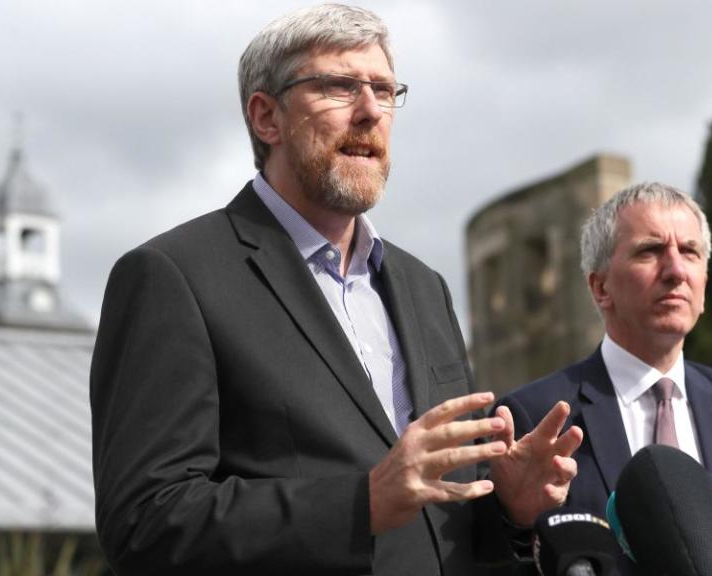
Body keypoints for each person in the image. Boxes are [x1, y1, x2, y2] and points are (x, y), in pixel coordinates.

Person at [89, 4, 581, 575]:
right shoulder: (172, 276)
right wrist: (360, 503)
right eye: (339, 87)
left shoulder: (425, 289)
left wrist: (509, 512)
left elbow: (436, 530)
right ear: (266, 117)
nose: (371, 110)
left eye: (384, 89)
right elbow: (145, 522)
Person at [496, 182, 712, 572]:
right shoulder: (535, 415)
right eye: (650, 250)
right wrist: (513, 518)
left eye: (690, 251)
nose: (676, 270)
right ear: (601, 287)